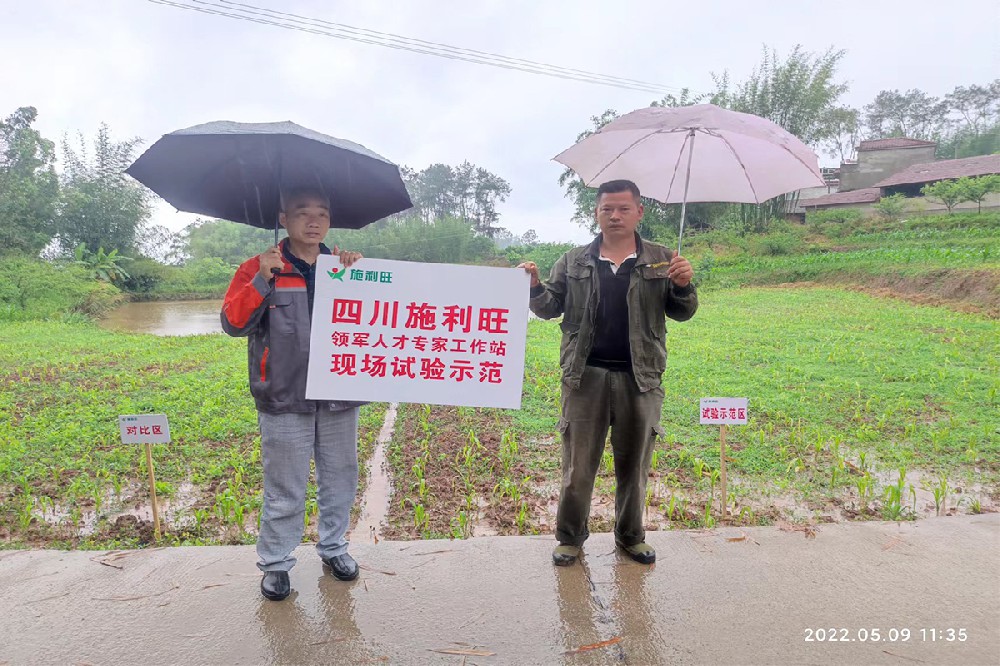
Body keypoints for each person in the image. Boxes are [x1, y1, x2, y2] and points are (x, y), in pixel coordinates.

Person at [520, 179, 697, 567]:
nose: (614, 216)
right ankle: (570, 539)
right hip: (585, 377)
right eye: (607, 209)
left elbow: (681, 312)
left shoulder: (664, 259)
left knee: (634, 466)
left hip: (642, 379)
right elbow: (550, 307)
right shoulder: (574, 260)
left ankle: (631, 537)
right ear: (596, 213)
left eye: (623, 208)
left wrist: (683, 285)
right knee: (578, 466)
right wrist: (533, 287)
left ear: (639, 212)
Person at [221, 186, 364, 601]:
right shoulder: (260, 266)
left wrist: (358, 272)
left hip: (339, 393)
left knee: (340, 478)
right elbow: (233, 323)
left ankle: (334, 548)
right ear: (283, 218)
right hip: (284, 395)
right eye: (303, 212)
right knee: (285, 486)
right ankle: (277, 563)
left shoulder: (346, 266)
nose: (314, 221)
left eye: (322, 212)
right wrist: (262, 280)